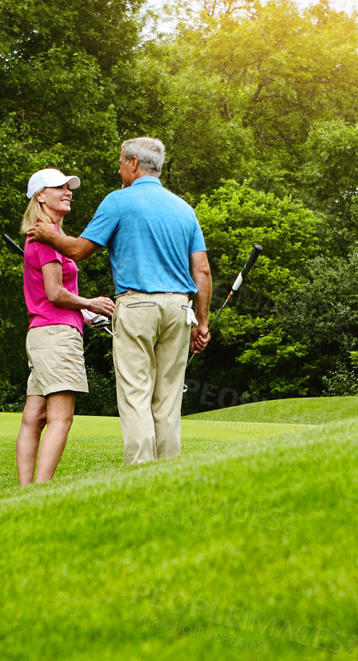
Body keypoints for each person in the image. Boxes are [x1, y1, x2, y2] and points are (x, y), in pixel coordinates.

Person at [30, 137, 211, 465]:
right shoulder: (184, 209)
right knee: (168, 398)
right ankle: (168, 470)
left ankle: (141, 471)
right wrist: (202, 322)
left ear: (133, 163)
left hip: (138, 305)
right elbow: (202, 270)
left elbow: (79, 250)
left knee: (135, 394)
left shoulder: (118, 201)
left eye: (120, 162)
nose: (118, 169)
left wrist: (49, 235)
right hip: (179, 308)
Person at [15, 167, 116, 485]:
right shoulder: (45, 236)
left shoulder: (46, 234)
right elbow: (55, 292)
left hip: (42, 332)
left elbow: (51, 294)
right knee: (61, 418)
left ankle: (25, 491)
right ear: (40, 196)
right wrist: (90, 303)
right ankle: (40, 490)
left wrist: (83, 313)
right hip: (57, 334)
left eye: (68, 186)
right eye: (59, 187)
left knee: (34, 416)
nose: (67, 191)